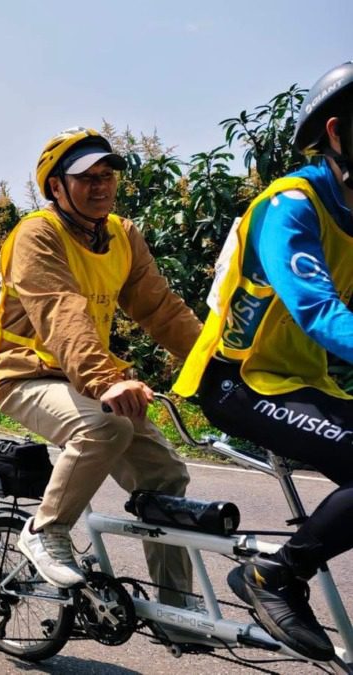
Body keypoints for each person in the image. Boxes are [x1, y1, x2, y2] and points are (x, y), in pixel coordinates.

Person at [171, 62, 353, 661]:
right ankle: (272, 575)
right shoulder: (291, 206)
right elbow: (318, 312)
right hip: (237, 381)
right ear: (337, 131)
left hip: (303, 380)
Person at [0, 128, 203, 607]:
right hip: (28, 376)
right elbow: (62, 313)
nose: (101, 185)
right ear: (56, 187)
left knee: (166, 475)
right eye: (86, 177)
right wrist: (108, 381)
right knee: (105, 428)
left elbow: (161, 310)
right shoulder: (36, 235)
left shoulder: (123, 236)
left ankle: (176, 608)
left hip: (89, 381)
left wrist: (217, 365)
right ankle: (46, 530)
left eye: (108, 175)